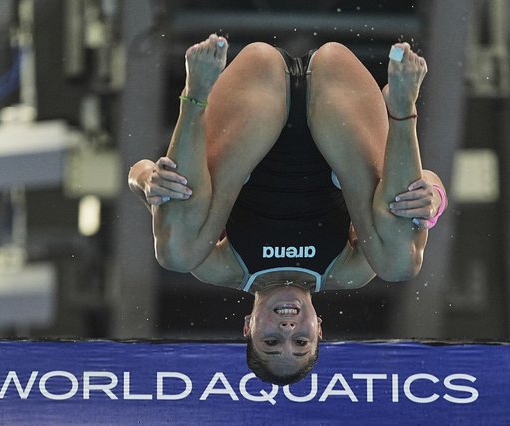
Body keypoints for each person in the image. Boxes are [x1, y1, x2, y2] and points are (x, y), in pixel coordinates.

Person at [128, 34, 447, 385]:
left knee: (178, 254)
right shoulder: (346, 271)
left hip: (257, 87)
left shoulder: (223, 267)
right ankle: (402, 111)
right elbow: (422, 189)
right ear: (319, 328)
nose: (287, 328)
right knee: (398, 263)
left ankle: (195, 96)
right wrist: (433, 197)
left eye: (271, 341)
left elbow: (139, 173)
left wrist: (147, 181)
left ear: (248, 326)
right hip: (336, 89)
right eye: (300, 341)